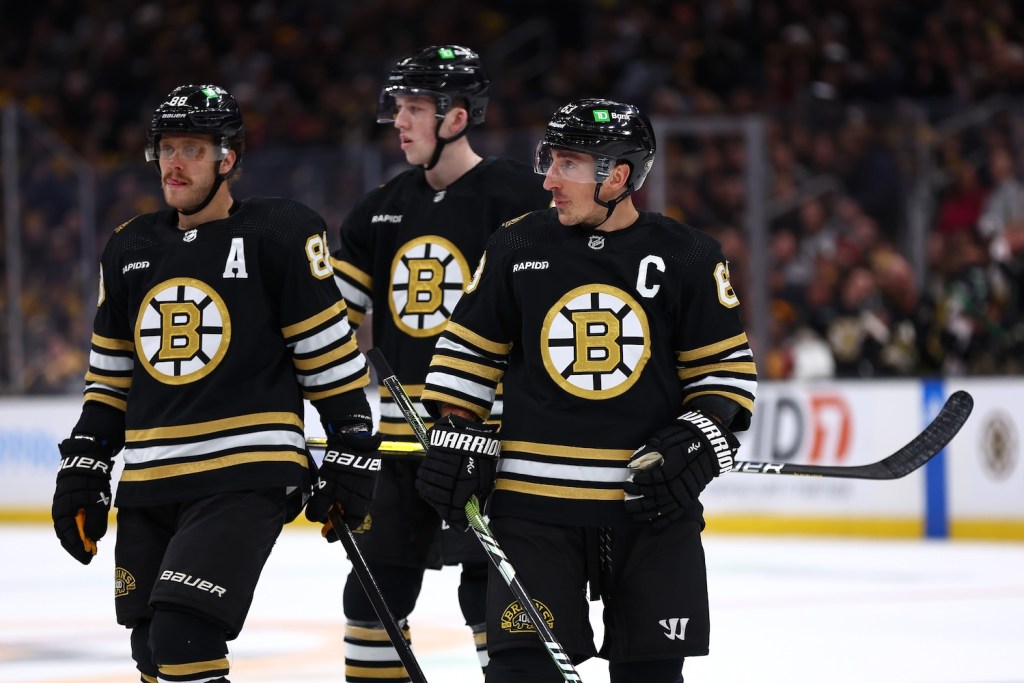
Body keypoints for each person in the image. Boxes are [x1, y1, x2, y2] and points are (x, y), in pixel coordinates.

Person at [418, 99, 758, 683]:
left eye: (568, 164)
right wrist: (455, 431)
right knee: (521, 673)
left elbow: (724, 377)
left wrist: (698, 437)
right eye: (549, 159)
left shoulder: (689, 256)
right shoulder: (515, 246)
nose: (548, 179)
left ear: (618, 176)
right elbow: (464, 361)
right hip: (532, 513)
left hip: (650, 511)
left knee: (651, 675)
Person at [51, 83, 381, 683]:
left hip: (245, 471)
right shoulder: (129, 246)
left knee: (185, 635)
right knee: (151, 647)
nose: (174, 164)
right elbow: (109, 380)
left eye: (193, 150)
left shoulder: (280, 232)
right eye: (167, 148)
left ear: (228, 159)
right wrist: (84, 462)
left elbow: (326, 357)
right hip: (151, 478)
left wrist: (354, 442)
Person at [329, 45, 551, 680]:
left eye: (415, 107)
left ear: (457, 117)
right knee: (370, 600)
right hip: (401, 449)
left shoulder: (516, 197)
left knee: (492, 603)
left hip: (488, 444)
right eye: (397, 106)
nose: (400, 121)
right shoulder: (378, 209)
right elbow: (328, 329)